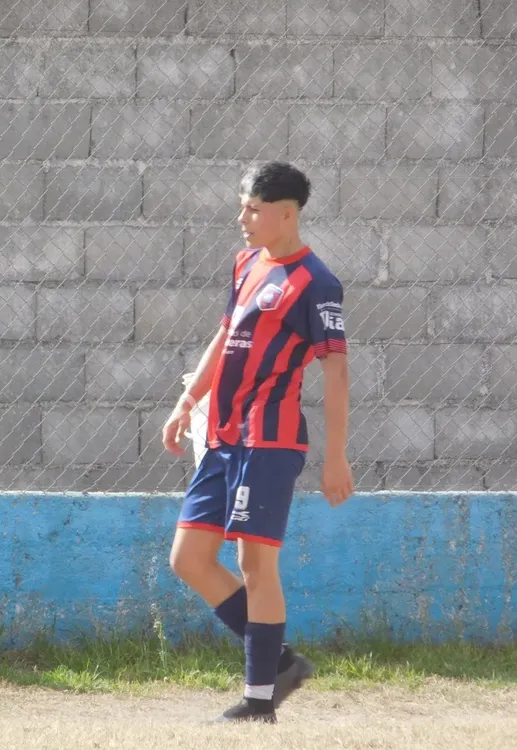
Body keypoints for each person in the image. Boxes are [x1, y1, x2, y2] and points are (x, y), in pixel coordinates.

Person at [161, 162, 354, 724]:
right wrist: (187, 401)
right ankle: (282, 661)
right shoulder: (247, 262)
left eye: (252, 208)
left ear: (286, 214)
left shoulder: (315, 282)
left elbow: (336, 371)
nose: (241, 218)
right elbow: (225, 336)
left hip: (268, 442)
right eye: (242, 205)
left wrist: (336, 455)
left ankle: (259, 700)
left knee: (253, 563)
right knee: (190, 558)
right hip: (222, 435)